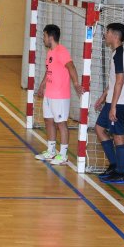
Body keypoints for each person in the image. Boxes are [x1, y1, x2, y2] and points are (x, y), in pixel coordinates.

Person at [34, 24, 83, 165]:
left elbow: (71, 67)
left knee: (61, 124)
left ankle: (63, 155)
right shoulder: (50, 52)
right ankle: (51, 151)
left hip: (60, 95)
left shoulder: (62, 51)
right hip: (49, 94)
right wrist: (43, 84)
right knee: (48, 121)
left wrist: (76, 83)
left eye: (44, 36)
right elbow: (49, 70)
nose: (43, 38)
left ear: (50, 37)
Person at [94, 23, 124, 184]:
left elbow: (120, 81)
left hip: (119, 102)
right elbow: (114, 80)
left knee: (118, 136)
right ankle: (114, 166)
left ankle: (120, 173)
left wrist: (113, 107)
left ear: (115, 35)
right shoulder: (120, 52)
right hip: (114, 100)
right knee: (99, 128)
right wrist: (104, 96)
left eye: (108, 32)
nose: (105, 34)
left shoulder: (120, 54)